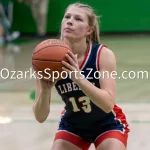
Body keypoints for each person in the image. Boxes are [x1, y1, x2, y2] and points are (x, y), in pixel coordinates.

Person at [33, 2, 130, 150]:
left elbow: (108, 104)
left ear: (89, 30)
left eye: (78, 19)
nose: (70, 21)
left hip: (107, 123)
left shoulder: (102, 55)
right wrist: (45, 91)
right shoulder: (46, 57)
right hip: (73, 125)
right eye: (67, 17)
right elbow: (40, 117)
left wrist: (78, 78)